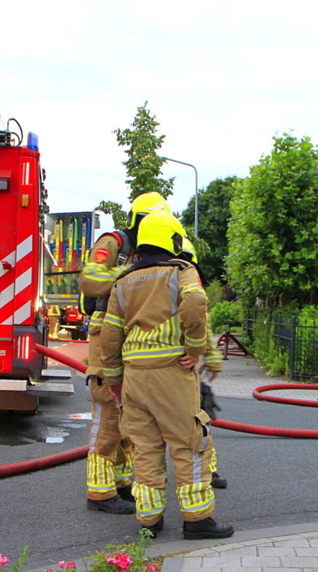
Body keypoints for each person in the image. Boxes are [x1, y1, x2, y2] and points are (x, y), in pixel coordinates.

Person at [100, 211, 234, 541]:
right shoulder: (181, 270)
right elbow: (196, 299)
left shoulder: (124, 280)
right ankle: (197, 519)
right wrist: (195, 346)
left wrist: (115, 380)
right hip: (171, 373)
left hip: (133, 377)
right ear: (173, 240)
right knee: (190, 444)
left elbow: (110, 333)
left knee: (144, 449)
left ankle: (149, 521)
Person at [79, 191, 170, 514]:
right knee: (107, 415)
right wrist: (131, 275)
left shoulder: (143, 251)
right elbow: (90, 280)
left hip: (125, 338)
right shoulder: (113, 242)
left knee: (125, 417)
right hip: (104, 334)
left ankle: (120, 484)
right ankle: (99, 494)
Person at [178, 239, 228, 489]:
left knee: (200, 424)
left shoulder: (187, 280)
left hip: (184, 369)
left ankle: (208, 471)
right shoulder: (160, 278)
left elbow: (200, 322)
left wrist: (211, 355)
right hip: (172, 369)